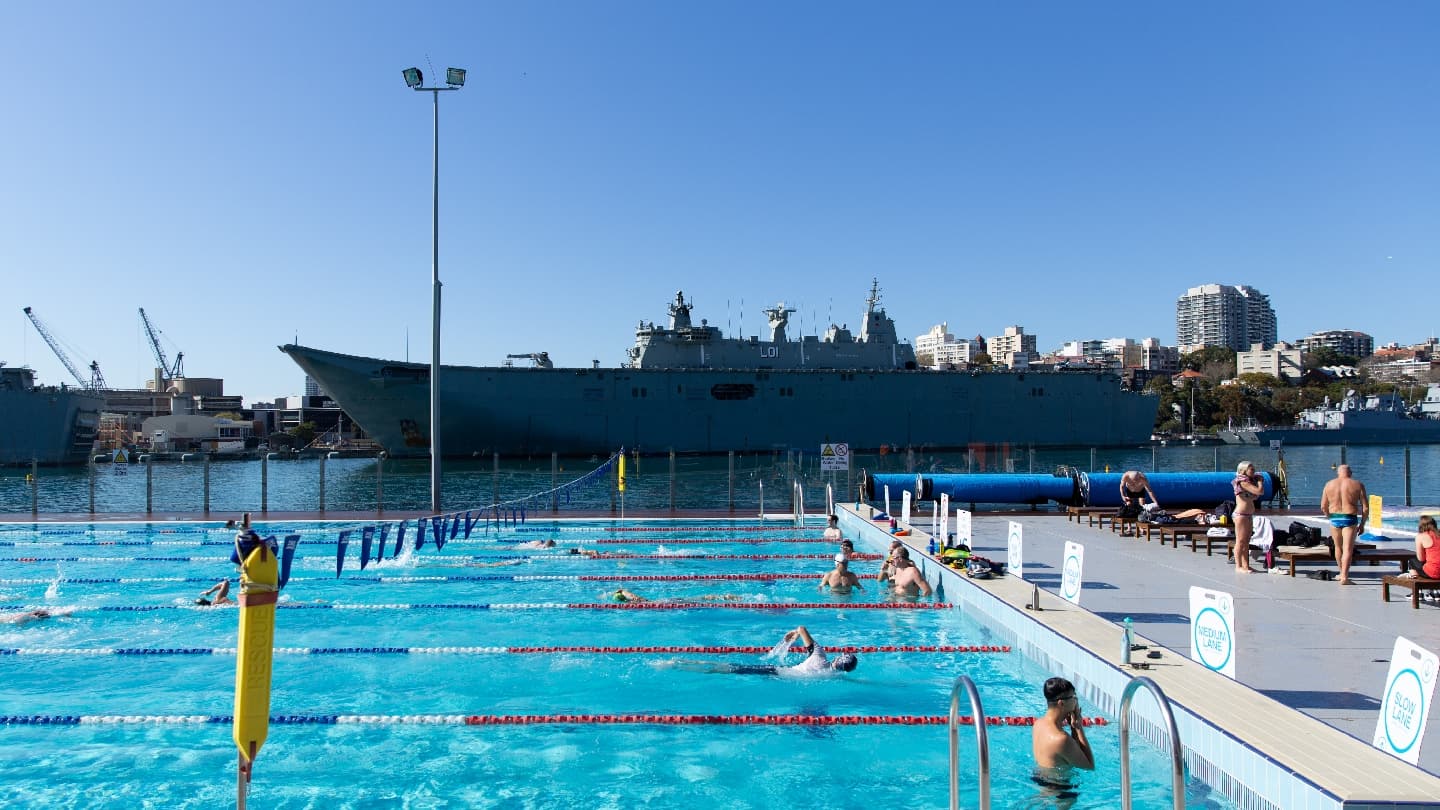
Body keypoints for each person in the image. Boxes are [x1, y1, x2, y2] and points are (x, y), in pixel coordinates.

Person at [674, 625, 858, 677]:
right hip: (780, 678)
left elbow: (802, 628)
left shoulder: (820, 656)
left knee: (730, 668)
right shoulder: (832, 676)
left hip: (776, 671)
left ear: (839, 658)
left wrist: (794, 635)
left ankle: (685, 664)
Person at [1031, 677, 1094, 807]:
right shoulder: (1061, 739)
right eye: (1073, 698)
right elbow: (1089, 766)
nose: (1076, 702)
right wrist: (1078, 728)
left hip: (1039, 777)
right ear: (1061, 703)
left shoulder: (1038, 724)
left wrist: (1073, 728)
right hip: (1060, 787)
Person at [1320, 464, 1369, 584]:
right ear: (1350, 473)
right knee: (1347, 549)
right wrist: (1362, 523)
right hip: (1349, 517)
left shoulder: (1329, 484)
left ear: (1338, 473)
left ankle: (1341, 572)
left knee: (1338, 547)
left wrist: (1329, 517)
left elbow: (1323, 506)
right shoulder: (1357, 484)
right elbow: (1365, 508)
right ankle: (1344, 577)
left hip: (1335, 518)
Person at [1231, 461, 1263, 573]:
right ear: (1244, 470)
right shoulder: (1243, 482)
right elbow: (1260, 491)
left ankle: (1246, 565)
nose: (1254, 471)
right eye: (1251, 469)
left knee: (1246, 541)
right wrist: (1260, 482)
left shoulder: (1249, 482)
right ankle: (1238, 566)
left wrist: (1256, 482)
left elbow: (1255, 496)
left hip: (1248, 514)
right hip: (1241, 515)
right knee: (1240, 541)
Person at [1398, 515, 1440, 581]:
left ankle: (1413, 575)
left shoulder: (1421, 536)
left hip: (1433, 573)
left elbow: (1421, 559)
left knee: (1412, 561)